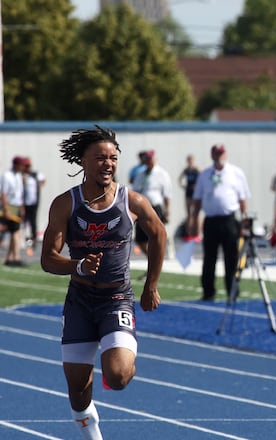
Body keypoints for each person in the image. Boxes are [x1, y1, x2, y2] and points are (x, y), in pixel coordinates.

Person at [40, 126, 165, 440]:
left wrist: (151, 285)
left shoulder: (131, 200)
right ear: (83, 162)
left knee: (119, 376)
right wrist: (77, 265)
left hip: (116, 299)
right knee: (78, 395)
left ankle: (116, 362)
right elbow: (48, 259)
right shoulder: (65, 204)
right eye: (99, 158)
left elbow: (159, 234)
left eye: (113, 158)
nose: (107, 164)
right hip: (80, 302)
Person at [190, 144, 251, 302]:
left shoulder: (236, 173)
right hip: (211, 221)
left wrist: (245, 222)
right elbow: (197, 200)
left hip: (229, 220)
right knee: (209, 258)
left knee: (231, 258)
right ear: (212, 155)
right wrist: (194, 220)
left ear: (225, 154)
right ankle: (208, 292)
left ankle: (232, 292)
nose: (219, 156)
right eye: (216, 153)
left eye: (221, 153)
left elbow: (243, 199)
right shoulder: (204, 174)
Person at [132, 150, 172, 256]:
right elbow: (135, 191)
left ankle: (158, 257)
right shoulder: (141, 174)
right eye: (147, 159)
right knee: (140, 239)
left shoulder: (161, 173)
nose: (149, 161)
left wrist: (167, 212)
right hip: (142, 208)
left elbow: (167, 194)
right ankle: (151, 257)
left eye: (150, 159)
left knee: (156, 235)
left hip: (155, 207)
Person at [1, 156, 27, 266]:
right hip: (9, 206)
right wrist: (6, 210)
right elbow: (3, 194)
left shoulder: (18, 176)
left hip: (15, 207)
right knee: (15, 233)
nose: (23, 167)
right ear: (16, 164)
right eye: (21, 165)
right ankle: (16, 258)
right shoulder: (7, 176)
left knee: (14, 233)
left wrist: (21, 208)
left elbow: (19, 194)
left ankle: (9, 258)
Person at [21, 157, 45, 252]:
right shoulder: (21, 176)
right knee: (24, 220)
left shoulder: (34, 175)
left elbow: (42, 179)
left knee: (33, 221)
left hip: (33, 202)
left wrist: (40, 185)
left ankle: (33, 239)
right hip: (24, 203)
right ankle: (24, 238)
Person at [178, 154, 200, 235]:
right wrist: (183, 186)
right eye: (188, 161)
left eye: (191, 160)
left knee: (196, 214)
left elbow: (202, 178)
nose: (190, 162)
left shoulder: (196, 169)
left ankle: (197, 233)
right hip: (188, 193)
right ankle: (189, 233)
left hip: (195, 194)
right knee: (188, 214)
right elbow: (180, 179)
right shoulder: (186, 170)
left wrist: (198, 186)